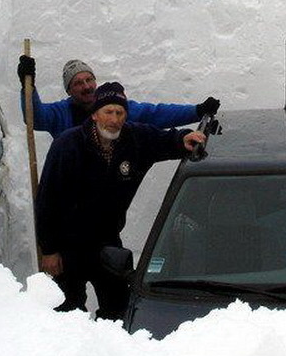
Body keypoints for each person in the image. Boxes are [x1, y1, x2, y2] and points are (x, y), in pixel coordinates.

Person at [35, 82, 206, 318]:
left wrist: (183, 139)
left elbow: (164, 141)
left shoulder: (134, 139)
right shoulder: (67, 145)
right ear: (95, 114)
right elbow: (47, 200)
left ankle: (110, 348)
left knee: (118, 309)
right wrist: (49, 250)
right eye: (108, 112)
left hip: (107, 243)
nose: (114, 119)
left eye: (120, 113)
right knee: (67, 312)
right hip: (67, 247)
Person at [18, 55, 219, 138]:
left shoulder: (112, 108)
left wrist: (197, 111)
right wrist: (29, 86)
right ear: (69, 90)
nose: (87, 87)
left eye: (89, 80)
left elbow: (155, 114)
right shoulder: (60, 113)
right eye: (78, 83)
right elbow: (35, 118)